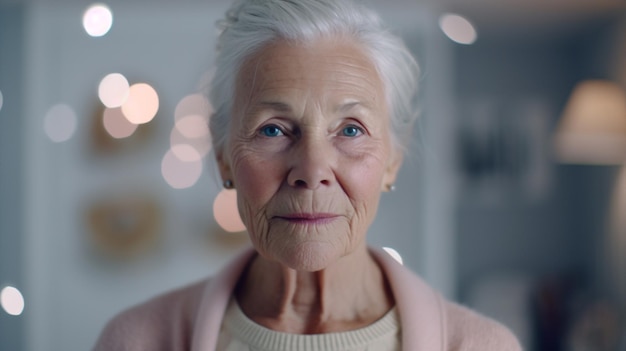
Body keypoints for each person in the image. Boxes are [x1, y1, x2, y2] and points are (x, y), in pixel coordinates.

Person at [94, 0, 522, 350]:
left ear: (393, 157)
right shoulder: (137, 340)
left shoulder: (482, 345)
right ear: (224, 155)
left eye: (351, 129)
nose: (313, 171)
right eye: (273, 129)